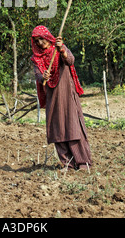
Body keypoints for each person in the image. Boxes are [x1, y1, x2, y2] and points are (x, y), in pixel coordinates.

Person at [31, 25, 91, 171]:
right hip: (52, 96)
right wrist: (42, 76)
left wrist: (62, 50)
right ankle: (68, 164)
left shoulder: (59, 48)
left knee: (72, 126)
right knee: (57, 128)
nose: (40, 43)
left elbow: (70, 60)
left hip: (66, 93)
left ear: (47, 37)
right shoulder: (35, 58)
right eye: (36, 41)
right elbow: (38, 75)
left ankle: (83, 163)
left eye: (41, 39)